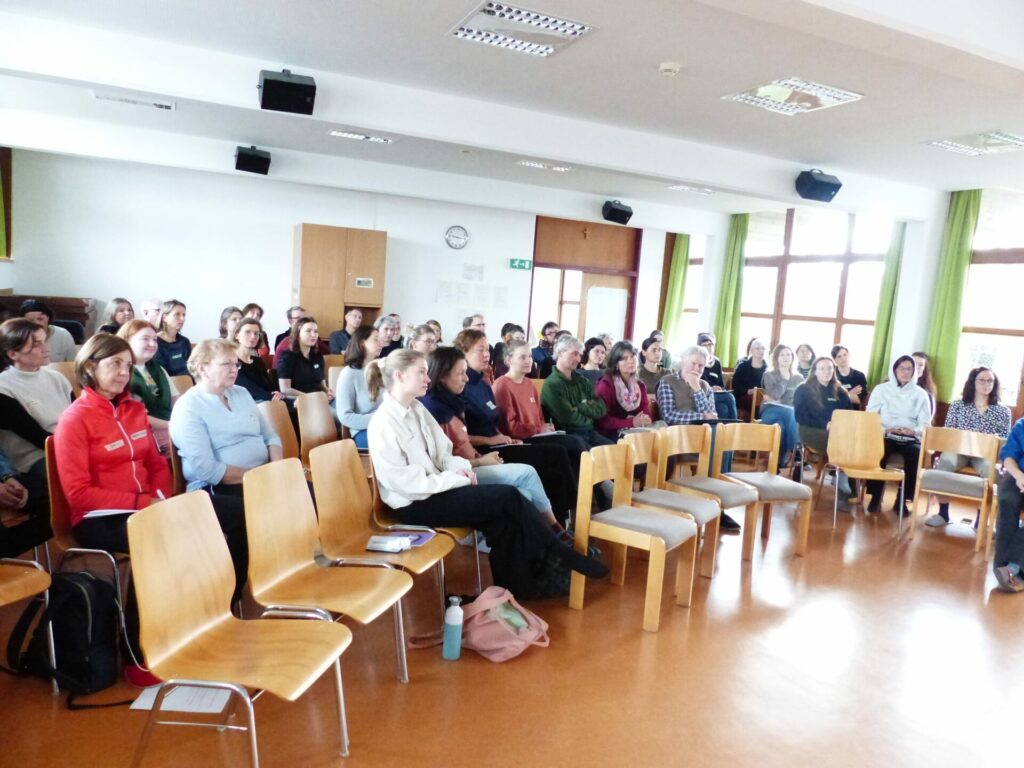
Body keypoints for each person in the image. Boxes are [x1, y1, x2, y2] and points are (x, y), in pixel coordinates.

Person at [366, 349, 607, 598]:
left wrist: (458, 469)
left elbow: (443, 454)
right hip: (415, 503)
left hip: (439, 486)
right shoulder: (384, 422)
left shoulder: (417, 409)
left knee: (503, 520)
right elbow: (407, 483)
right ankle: (559, 551)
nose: (428, 378)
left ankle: (518, 587)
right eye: (421, 372)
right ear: (399, 376)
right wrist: (457, 478)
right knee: (508, 497)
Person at [53, 332, 173, 687]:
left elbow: (156, 463)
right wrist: (143, 504)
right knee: (154, 543)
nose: (124, 372)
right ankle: (138, 654)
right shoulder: (75, 419)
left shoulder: (135, 410)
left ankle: (177, 632)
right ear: (90, 366)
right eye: (115, 363)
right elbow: (78, 494)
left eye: (128, 364)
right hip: (95, 518)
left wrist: (160, 499)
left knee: (191, 529)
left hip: (143, 508)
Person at [164, 340, 257, 620]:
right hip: (214, 488)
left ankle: (283, 573)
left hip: (255, 479)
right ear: (203, 368)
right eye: (226, 364)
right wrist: (258, 477)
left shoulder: (241, 394)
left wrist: (275, 471)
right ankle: (224, 600)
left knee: (307, 495)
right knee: (251, 516)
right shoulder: (188, 407)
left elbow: (270, 436)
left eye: (236, 363)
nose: (234, 369)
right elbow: (207, 469)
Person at [421, 347, 561, 527]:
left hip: (474, 461)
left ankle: (543, 537)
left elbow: (461, 443)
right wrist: (481, 459)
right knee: (527, 474)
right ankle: (553, 529)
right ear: (442, 376)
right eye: (460, 373)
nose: (466, 378)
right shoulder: (434, 409)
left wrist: (482, 455)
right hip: (460, 473)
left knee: (527, 491)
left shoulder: (453, 400)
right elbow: (445, 459)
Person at [454, 329, 579, 517]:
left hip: (500, 442)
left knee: (565, 451)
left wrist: (506, 439)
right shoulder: (462, 385)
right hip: (485, 450)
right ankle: (565, 516)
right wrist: (496, 439)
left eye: (487, 349)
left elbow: (493, 423)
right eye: (480, 350)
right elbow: (462, 435)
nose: (487, 354)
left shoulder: (484, 382)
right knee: (556, 454)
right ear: (464, 352)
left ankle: (563, 517)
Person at [656, 345, 738, 530]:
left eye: (701, 366)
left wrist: (696, 389)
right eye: (693, 363)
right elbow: (669, 416)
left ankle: (716, 498)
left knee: (723, 435)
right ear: (683, 361)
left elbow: (712, 414)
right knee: (716, 435)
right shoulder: (667, 382)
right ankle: (713, 500)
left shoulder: (704, 386)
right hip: (678, 436)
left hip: (704, 435)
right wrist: (699, 417)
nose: (697, 369)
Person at [924, 366, 1011, 528]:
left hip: (985, 454)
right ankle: (943, 513)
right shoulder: (958, 405)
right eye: (982, 380)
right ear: (973, 382)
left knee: (991, 471)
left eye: (990, 380)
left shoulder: (1003, 411)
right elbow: (949, 432)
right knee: (945, 463)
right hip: (959, 450)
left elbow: (1003, 440)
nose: (986, 384)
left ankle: (981, 517)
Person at [0, 319, 73, 498]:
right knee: (75, 479)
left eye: (44, 340)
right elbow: (36, 437)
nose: (46, 348)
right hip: (36, 456)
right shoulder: (3, 387)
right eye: (36, 344)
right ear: (13, 354)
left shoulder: (56, 377)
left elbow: (80, 416)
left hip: (69, 447)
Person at [864, 355, 932, 517]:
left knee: (915, 453)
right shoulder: (881, 389)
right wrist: (886, 430)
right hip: (886, 433)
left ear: (915, 372)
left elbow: (926, 423)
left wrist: (913, 431)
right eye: (902, 368)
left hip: (910, 436)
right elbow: (871, 416)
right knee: (880, 451)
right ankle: (876, 496)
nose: (906, 372)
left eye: (910, 369)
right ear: (894, 370)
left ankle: (902, 500)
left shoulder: (921, 394)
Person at [794, 356, 855, 502]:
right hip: (810, 430)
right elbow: (801, 417)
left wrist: (839, 426)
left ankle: (846, 482)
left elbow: (849, 414)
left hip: (838, 432)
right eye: (822, 368)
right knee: (842, 443)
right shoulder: (803, 389)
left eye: (829, 368)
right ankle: (844, 483)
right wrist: (825, 424)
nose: (826, 371)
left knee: (853, 442)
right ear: (815, 371)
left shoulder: (840, 392)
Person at [118, 319, 180, 452]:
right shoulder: (122, 373)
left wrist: (182, 422)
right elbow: (135, 416)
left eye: (155, 339)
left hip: (169, 427)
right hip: (142, 433)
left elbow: (177, 402)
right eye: (145, 339)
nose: (152, 344)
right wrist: (172, 426)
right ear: (127, 341)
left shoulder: (158, 369)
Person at [541, 336, 612, 448]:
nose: (579, 359)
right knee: (592, 456)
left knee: (615, 450)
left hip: (590, 432)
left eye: (580, 354)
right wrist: (588, 411)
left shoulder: (583, 381)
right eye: (574, 354)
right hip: (568, 435)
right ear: (560, 353)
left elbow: (601, 409)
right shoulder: (552, 384)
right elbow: (567, 417)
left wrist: (580, 407)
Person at [336, 326, 383, 448]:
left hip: (385, 425)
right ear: (362, 343)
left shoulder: (381, 369)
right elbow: (345, 416)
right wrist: (380, 418)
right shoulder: (349, 373)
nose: (380, 343)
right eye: (375, 339)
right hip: (364, 430)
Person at [595, 341, 652, 439]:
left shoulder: (640, 385)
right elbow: (602, 421)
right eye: (624, 359)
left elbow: (646, 412)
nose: (631, 361)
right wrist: (631, 422)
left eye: (633, 356)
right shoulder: (605, 386)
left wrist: (644, 419)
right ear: (616, 363)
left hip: (636, 429)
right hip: (610, 433)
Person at [758, 344, 804, 467]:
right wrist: (784, 378)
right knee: (790, 412)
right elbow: (775, 395)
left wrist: (779, 400)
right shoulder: (769, 375)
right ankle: (797, 449)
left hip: (788, 413)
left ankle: (777, 464)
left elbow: (799, 399)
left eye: (789, 354)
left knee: (781, 426)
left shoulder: (798, 377)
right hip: (770, 410)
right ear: (776, 358)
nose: (786, 357)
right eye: (782, 355)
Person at [231, 318, 286, 404]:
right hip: (247, 405)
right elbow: (251, 390)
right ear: (237, 335)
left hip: (266, 402)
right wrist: (275, 398)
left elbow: (269, 387)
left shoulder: (257, 361)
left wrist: (277, 394)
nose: (253, 336)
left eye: (256, 333)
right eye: (247, 332)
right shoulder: (232, 361)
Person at [276, 316, 332, 398]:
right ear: (298, 334)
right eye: (308, 331)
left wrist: (327, 392)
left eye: (316, 331)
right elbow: (285, 389)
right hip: (303, 401)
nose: (313, 335)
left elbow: (322, 384)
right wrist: (311, 397)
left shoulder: (317, 355)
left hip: (320, 399)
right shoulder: (288, 357)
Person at [698, 331, 739, 421]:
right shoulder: (697, 361)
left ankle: (723, 432)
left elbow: (721, 384)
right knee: (730, 398)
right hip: (703, 395)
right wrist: (710, 388)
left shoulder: (716, 362)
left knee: (723, 408)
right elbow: (697, 383)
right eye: (705, 345)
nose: (708, 347)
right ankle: (735, 425)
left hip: (716, 395)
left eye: (710, 344)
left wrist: (719, 388)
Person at [154, 298, 192, 377]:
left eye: (184, 315)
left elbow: (192, 368)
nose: (182, 319)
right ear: (164, 317)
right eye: (177, 314)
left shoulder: (185, 341)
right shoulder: (155, 342)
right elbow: (160, 373)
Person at [732, 338, 767, 416]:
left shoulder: (768, 369)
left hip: (763, 398)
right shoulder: (742, 366)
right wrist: (748, 391)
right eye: (757, 348)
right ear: (751, 350)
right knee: (753, 399)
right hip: (744, 397)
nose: (761, 351)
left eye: (763, 349)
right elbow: (735, 385)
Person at [912, 351, 937, 419]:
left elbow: (926, 419)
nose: (916, 367)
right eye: (913, 363)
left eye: (920, 365)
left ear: (925, 369)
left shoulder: (927, 393)